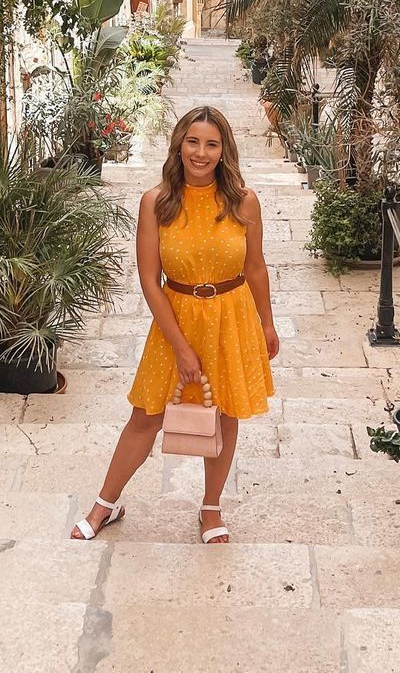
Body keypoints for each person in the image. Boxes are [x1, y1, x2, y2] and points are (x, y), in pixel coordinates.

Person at [71, 105, 279, 544]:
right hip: (176, 318)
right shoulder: (157, 202)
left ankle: (211, 507)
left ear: (224, 150)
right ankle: (105, 504)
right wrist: (182, 348)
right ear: (179, 145)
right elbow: (150, 280)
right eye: (193, 142)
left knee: (224, 414)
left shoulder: (243, 201)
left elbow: (256, 267)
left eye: (211, 144)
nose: (201, 153)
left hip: (232, 318)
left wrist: (267, 324)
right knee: (146, 416)